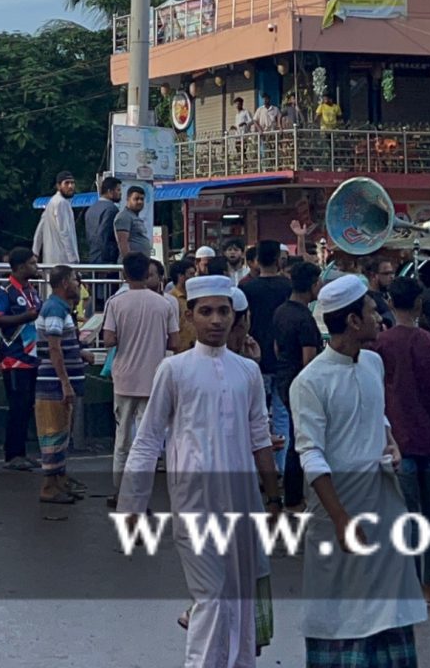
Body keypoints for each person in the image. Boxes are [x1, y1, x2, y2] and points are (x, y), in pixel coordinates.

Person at [116, 274, 280, 668]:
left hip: (243, 502)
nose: (216, 320)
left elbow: (259, 436)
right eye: (206, 312)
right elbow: (148, 438)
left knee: (239, 600)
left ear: (234, 316)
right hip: (194, 500)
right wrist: (132, 504)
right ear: (190, 316)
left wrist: (274, 498)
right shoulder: (174, 370)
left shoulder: (247, 371)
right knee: (211, 597)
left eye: (223, 311)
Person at [290, 275, 429, 667]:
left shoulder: (373, 362)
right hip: (339, 512)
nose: (380, 317)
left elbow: (376, 414)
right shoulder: (310, 382)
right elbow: (311, 455)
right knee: (341, 614)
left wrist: (390, 442)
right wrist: (341, 520)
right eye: (371, 310)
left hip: (383, 505)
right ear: (353, 321)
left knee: (388, 612)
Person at [375, 274, 430, 607]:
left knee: (407, 517)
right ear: (419, 304)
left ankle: (410, 585)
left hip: (396, 442)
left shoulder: (378, 347)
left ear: (389, 303)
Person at [101, 252, 181, 480]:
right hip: (154, 377)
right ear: (147, 273)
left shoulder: (115, 303)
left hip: (124, 378)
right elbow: (174, 342)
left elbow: (108, 340)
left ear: (125, 274)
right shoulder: (164, 304)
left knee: (122, 437)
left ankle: (119, 487)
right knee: (149, 437)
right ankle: (142, 485)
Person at [34, 264, 89, 507]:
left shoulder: (58, 308)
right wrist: (65, 383)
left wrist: (79, 353)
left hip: (55, 382)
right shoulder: (55, 309)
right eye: (75, 280)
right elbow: (54, 349)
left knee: (59, 434)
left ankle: (58, 481)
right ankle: (49, 486)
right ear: (65, 283)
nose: (78, 284)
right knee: (53, 435)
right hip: (53, 384)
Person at [0, 246, 42, 470]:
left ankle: (21, 452)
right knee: (17, 406)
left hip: (31, 355)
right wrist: (23, 317)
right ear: (20, 267)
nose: (36, 267)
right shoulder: (5, 291)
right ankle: (12, 455)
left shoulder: (31, 290)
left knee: (27, 405)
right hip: (13, 357)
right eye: (32, 263)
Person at [241, 242, 295, 450]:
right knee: (282, 414)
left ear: (256, 260)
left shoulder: (247, 288)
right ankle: (281, 461)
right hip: (283, 357)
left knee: (257, 414)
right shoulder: (288, 286)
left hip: (255, 356)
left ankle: (260, 460)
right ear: (277, 260)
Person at [35, 174, 80, 267]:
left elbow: (40, 229)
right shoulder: (61, 202)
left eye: (72, 183)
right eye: (66, 183)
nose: (70, 186)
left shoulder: (52, 202)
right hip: (63, 259)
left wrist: (35, 252)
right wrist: (73, 259)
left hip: (50, 259)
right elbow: (65, 232)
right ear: (58, 186)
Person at [114, 183, 151, 261]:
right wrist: (129, 262)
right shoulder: (124, 216)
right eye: (136, 199)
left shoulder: (135, 217)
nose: (140, 202)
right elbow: (123, 242)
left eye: (142, 199)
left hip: (141, 262)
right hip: (132, 264)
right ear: (128, 199)